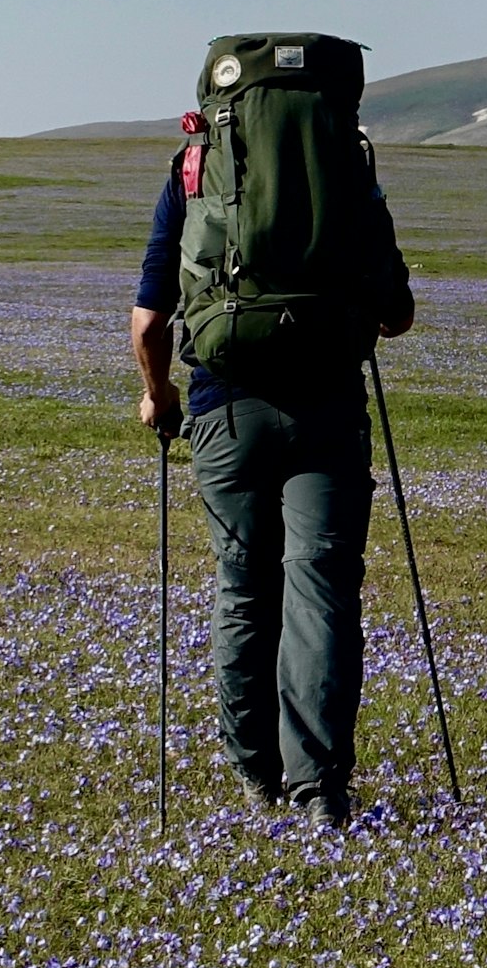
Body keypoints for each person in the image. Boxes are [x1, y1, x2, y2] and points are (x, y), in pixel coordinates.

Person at [131, 133, 415, 827]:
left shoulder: (195, 175)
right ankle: (319, 788)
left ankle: (257, 773)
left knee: (244, 583)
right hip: (327, 407)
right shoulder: (344, 167)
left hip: (225, 410)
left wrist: (160, 396)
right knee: (320, 586)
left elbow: (148, 322)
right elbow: (398, 311)